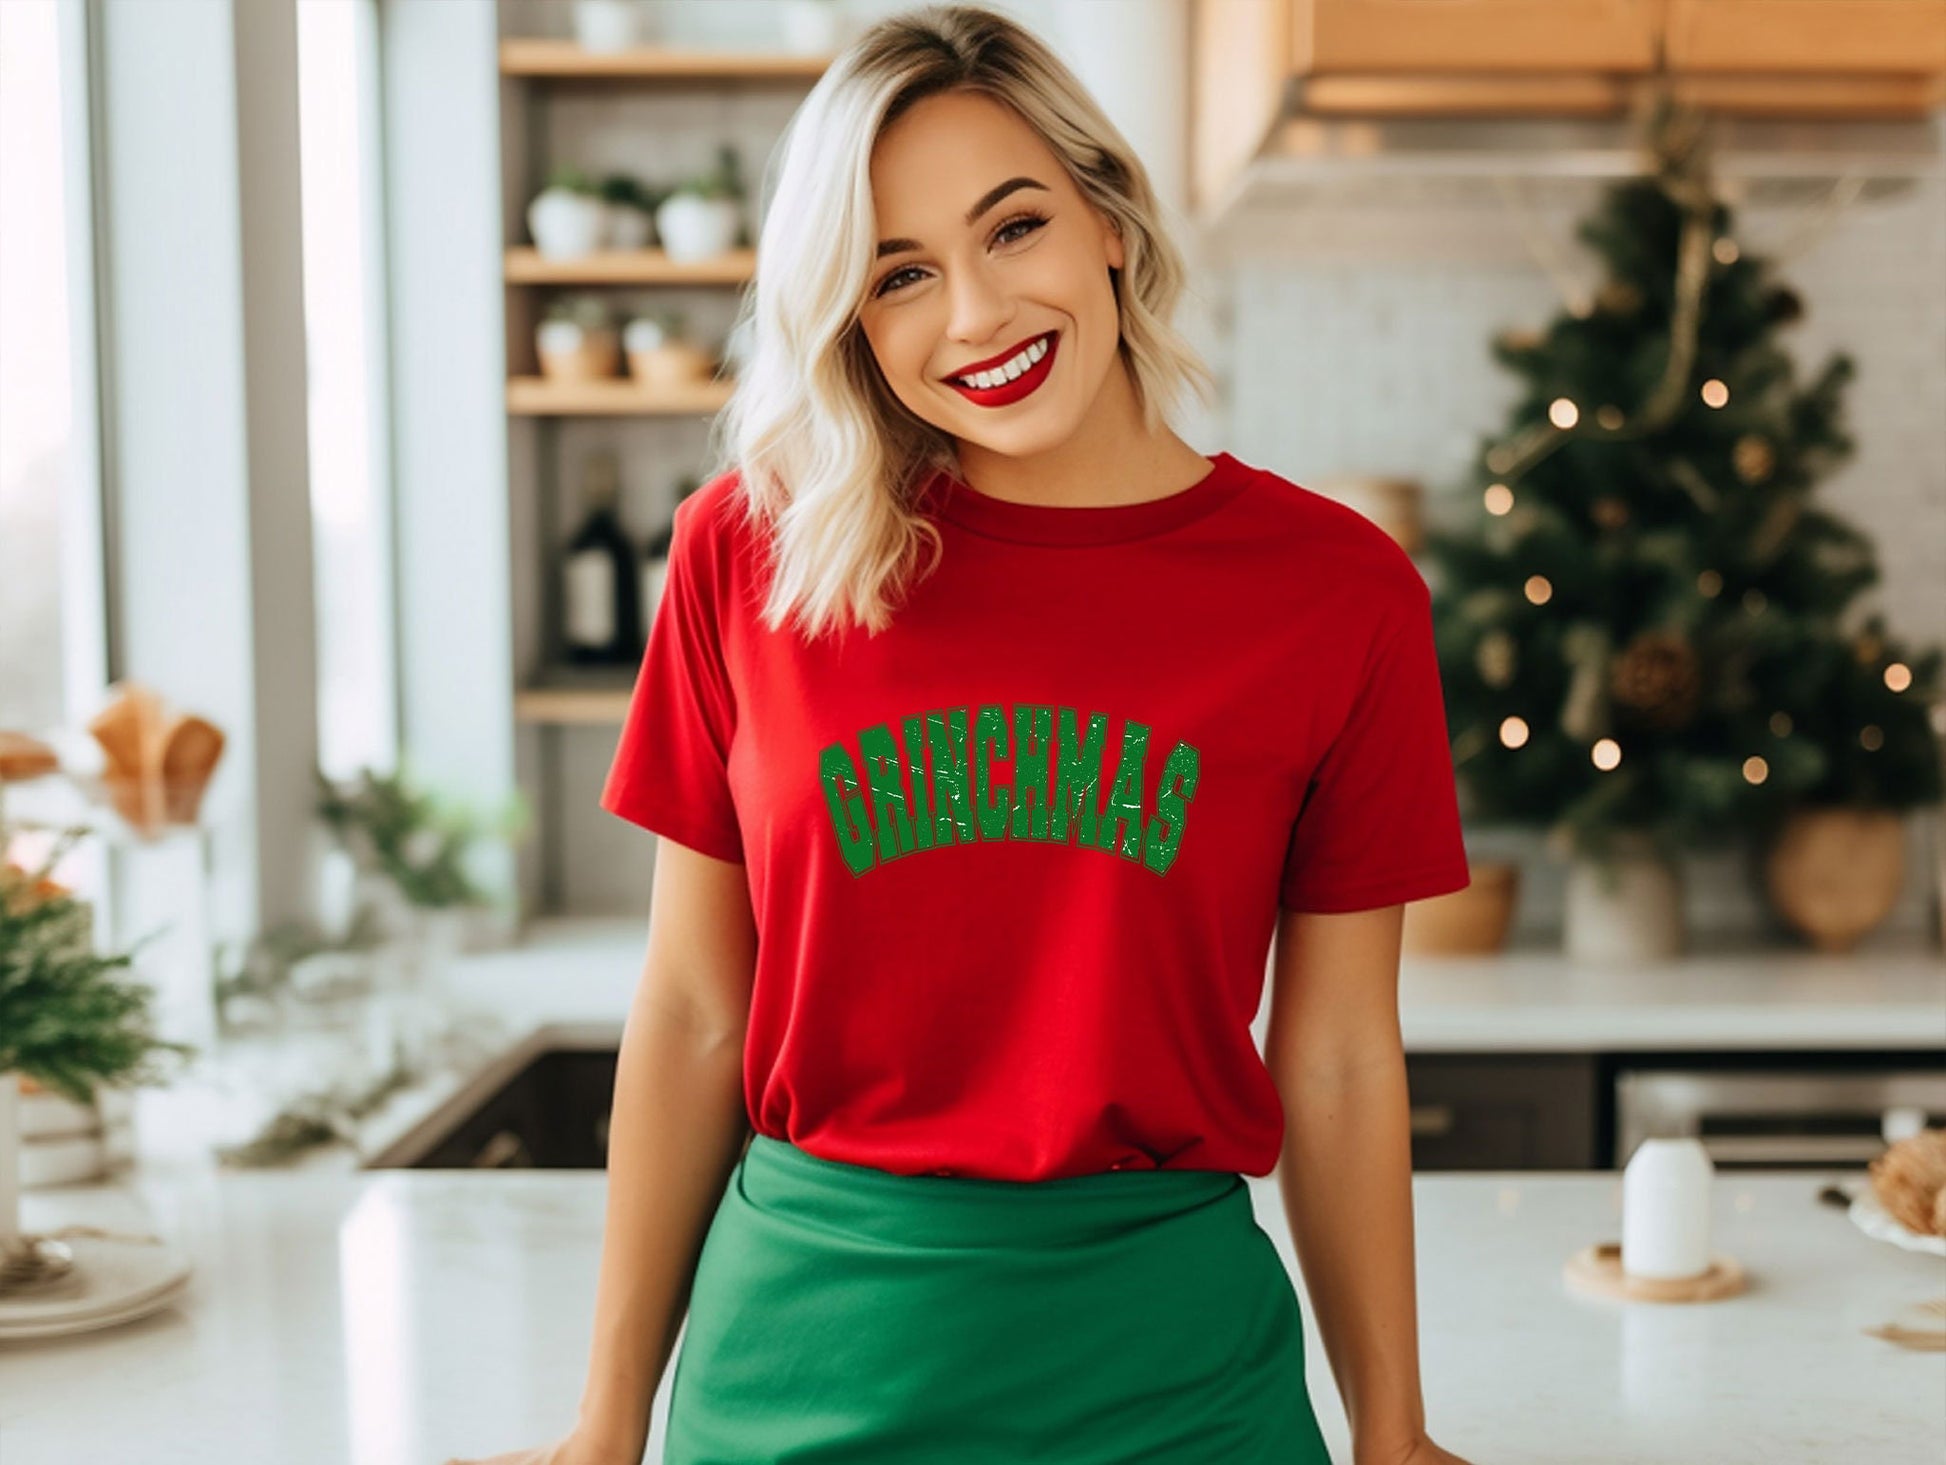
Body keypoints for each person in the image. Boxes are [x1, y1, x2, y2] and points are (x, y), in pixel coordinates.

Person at [450, 6, 1478, 1464]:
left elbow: (1337, 1059)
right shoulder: (749, 555)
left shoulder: (1332, 591)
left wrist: (1394, 1432)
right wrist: (603, 1424)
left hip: (1174, 1384)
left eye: (1012, 229)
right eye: (898, 277)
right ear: (849, 323)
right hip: (793, 1374)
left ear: (1106, 218)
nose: (976, 317)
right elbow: (690, 1009)